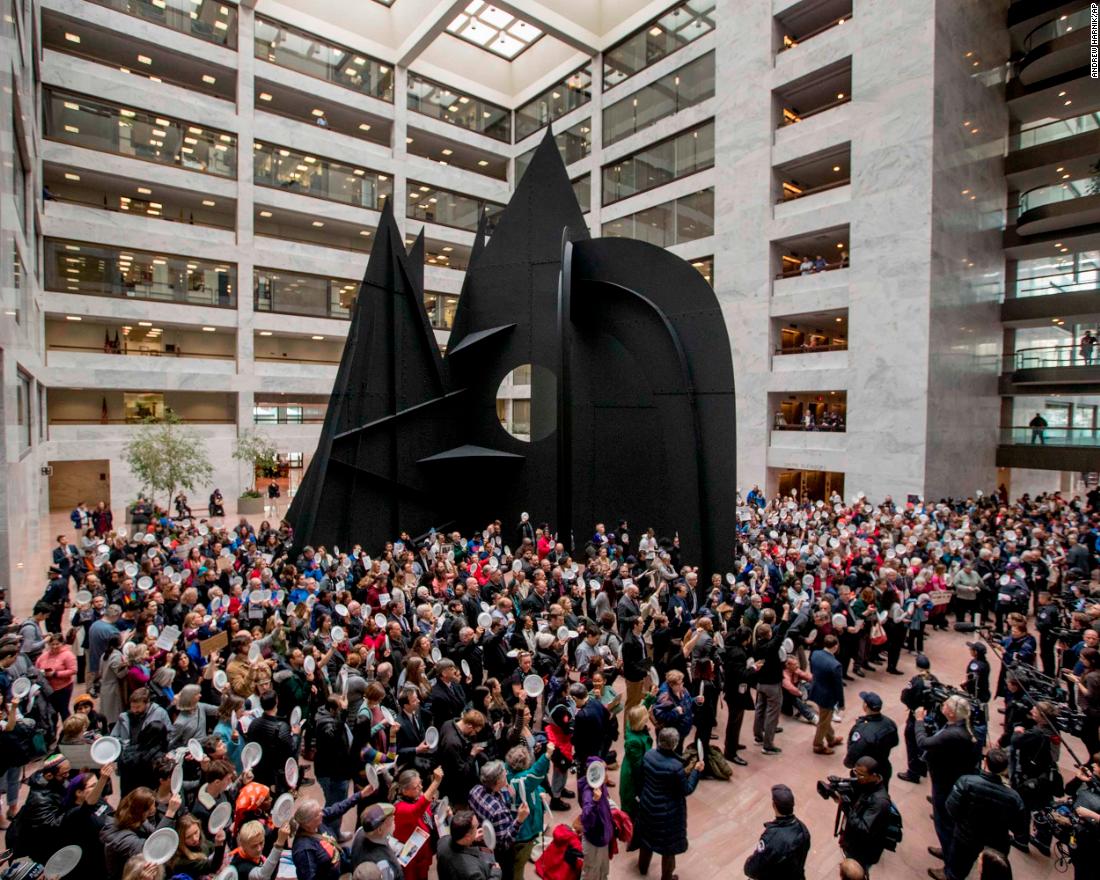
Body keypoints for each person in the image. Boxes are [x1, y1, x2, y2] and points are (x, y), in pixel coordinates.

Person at [928, 748, 1025, 880]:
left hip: (965, 836)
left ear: (985, 762)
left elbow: (951, 808)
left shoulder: (966, 782)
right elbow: (1019, 828)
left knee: (956, 870)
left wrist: (962, 822)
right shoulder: (1014, 798)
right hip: (995, 842)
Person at [914, 695, 980, 862]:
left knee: (943, 822)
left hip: (946, 781)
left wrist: (919, 721)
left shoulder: (953, 734)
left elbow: (923, 742)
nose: (942, 705)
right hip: (953, 777)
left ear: (951, 713)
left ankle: (950, 860)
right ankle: (948, 850)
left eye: (946, 705)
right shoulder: (962, 726)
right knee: (947, 820)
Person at [633, 726, 703, 880]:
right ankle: (667, 877)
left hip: (648, 805)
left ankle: (643, 867)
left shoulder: (649, 755)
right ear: (675, 744)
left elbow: (642, 778)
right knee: (668, 848)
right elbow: (687, 789)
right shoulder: (675, 767)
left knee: (646, 840)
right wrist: (696, 771)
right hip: (668, 813)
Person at [292, 786, 373, 880]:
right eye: (317, 814)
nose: (322, 813)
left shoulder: (319, 820)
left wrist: (360, 795)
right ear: (308, 823)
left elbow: (338, 808)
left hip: (339, 862)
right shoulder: (304, 849)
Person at [468, 760, 530, 880]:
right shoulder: (498, 811)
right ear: (497, 782)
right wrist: (519, 820)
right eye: (503, 774)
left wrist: (504, 790)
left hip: (482, 843)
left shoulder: (474, 790)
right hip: (499, 854)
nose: (506, 773)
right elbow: (505, 843)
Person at [836, 757, 894, 876]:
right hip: (852, 841)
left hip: (862, 851)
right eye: (855, 773)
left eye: (861, 775)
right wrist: (840, 782)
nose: (857, 777)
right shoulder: (867, 783)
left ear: (874, 775)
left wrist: (848, 809)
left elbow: (864, 828)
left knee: (856, 874)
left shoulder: (880, 802)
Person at [743, 783, 811, 879]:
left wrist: (748, 865)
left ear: (774, 805)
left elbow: (753, 868)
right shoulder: (803, 829)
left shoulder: (771, 838)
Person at [844, 692, 899, 787]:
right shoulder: (890, 723)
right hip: (883, 768)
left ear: (865, 706)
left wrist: (849, 764)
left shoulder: (862, 730)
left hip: (866, 773)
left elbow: (854, 752)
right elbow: (895, 742)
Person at [437, 810, 501, 880]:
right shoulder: (472, 872)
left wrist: (472, 838)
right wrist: (496, 874)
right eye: (476, 827)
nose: (478, 829)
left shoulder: (442, 841)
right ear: (467, 837)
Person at [808, 634, 844, 755]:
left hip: (816, 689)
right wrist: (841, 703)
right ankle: (818, 745)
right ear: (835, 646)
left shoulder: (815, 654)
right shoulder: (835, 665)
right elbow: (838, 687)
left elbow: (812, 670)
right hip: (827, 696)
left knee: (825, 718)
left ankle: (831, 738)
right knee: (823, 721)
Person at [350, 802, 404, 880]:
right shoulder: (383, 865)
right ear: (380, 830)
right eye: (392, 821)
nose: (394, 822)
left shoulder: (361, 830)